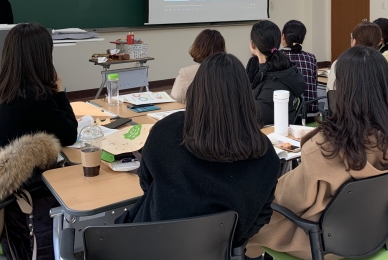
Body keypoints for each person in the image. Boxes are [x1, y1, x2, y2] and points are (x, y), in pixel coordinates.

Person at [246, 46, 388, 259]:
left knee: (248, 224)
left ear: (342, 88)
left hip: (320, 243)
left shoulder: (325, 148)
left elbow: (289, 199)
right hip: (373, 231)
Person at [119, 53, 280, 249]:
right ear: (246, 95)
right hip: (221, 248)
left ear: (197, 91)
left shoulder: (166, 131)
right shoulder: (265, 153)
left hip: (154, 244)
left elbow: (146, 182)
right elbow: (261, 214)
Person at [0, 22, 78, 148]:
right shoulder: (35, 96)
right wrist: (59, 92)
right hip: (6, 166)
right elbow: (69, 136)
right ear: (43, 57)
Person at [247, 20, 306, 126]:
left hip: (267, 134)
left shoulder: (274, 80)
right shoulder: (287, 69)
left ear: (253, 44)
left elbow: (257, 117)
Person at [327, 21, 388, 92]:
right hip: (377, 103)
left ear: (354, 41)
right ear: (379, 42)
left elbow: (331, 92)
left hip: (345, 103)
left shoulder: (338, 64)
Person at [170, 29, 226, 103]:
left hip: (196, 114)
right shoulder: (232, 70)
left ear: (197, 48)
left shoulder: (186, 73)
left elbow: (175, 101)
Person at [280, 20, 317, 106]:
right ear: (303, 39)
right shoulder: (311, 58)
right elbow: (315, 84)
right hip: (311, 111)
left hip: (287, 113)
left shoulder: (276, 57)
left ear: (283, 37)